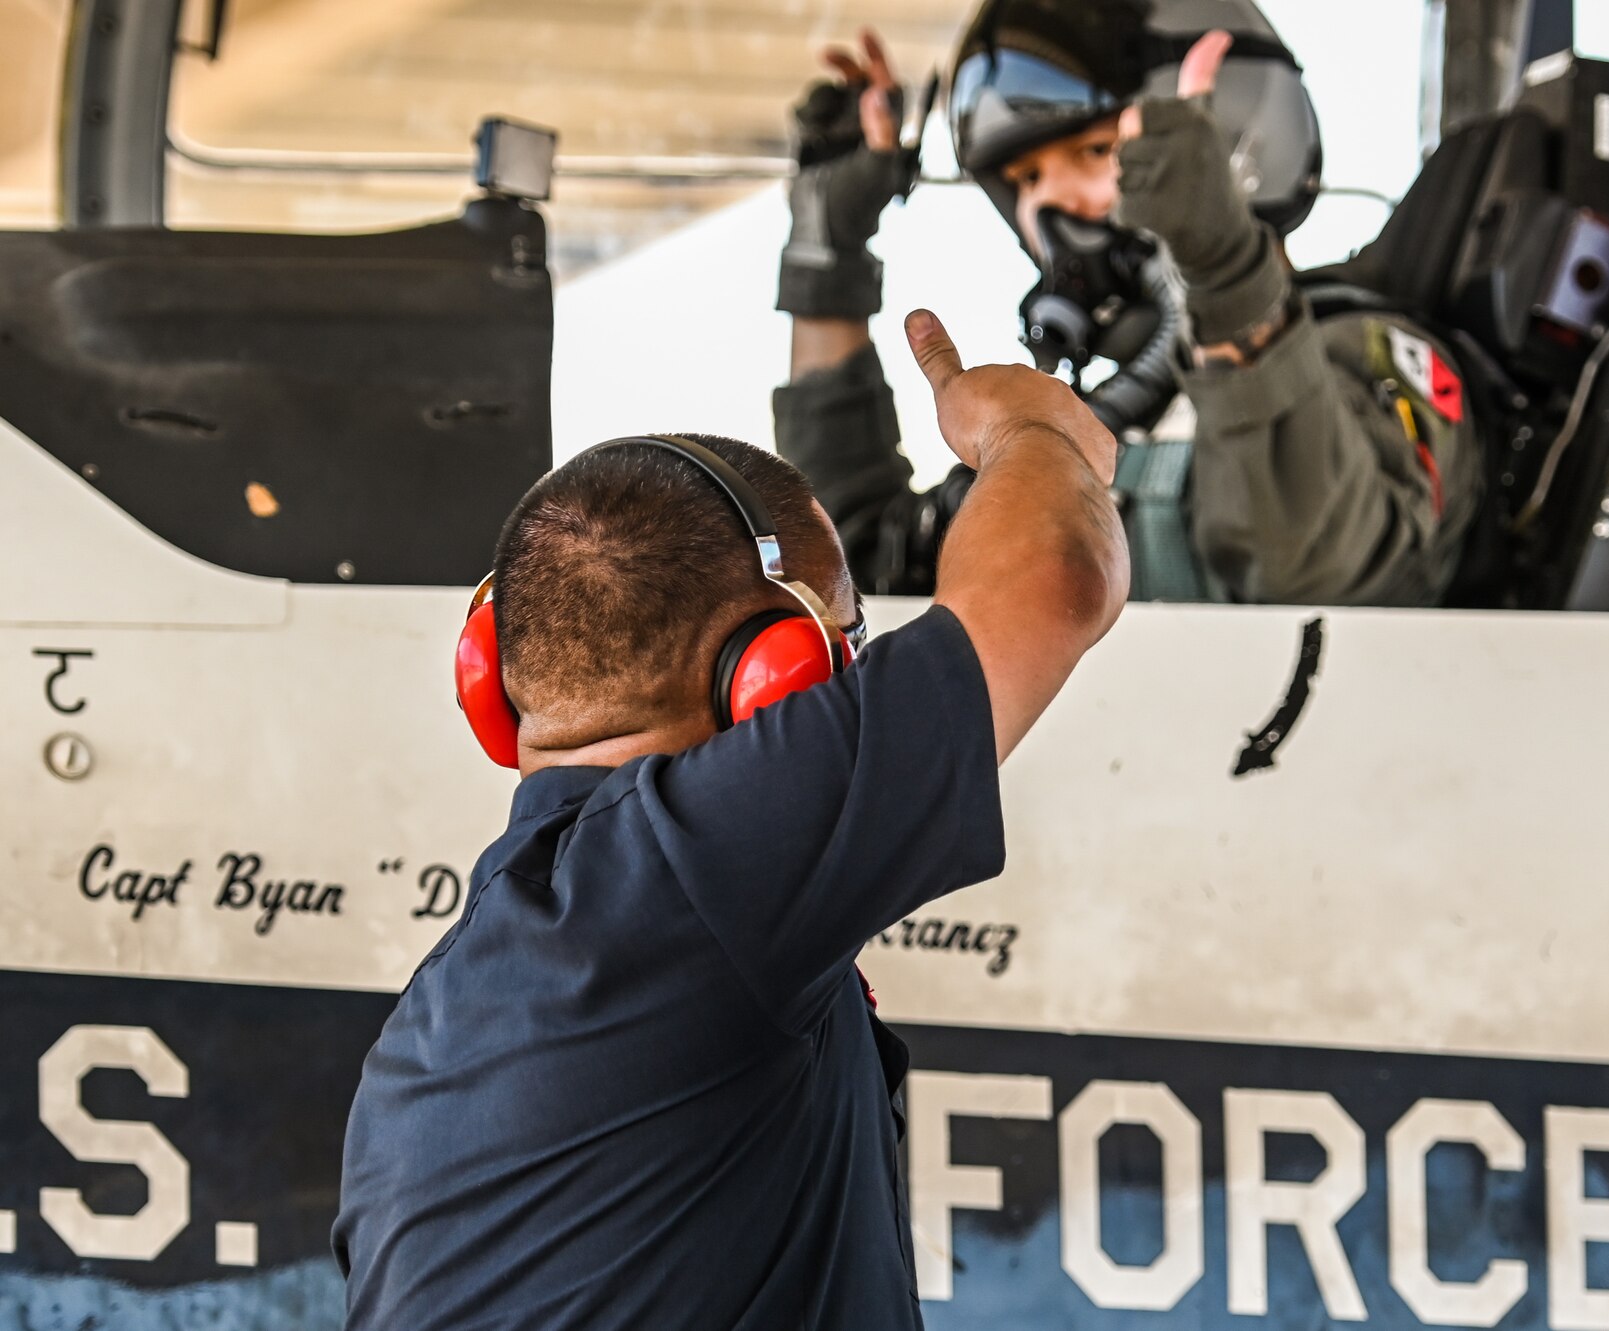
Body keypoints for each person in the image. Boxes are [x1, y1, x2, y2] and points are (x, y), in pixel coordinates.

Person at [331, 310, 1128, 1329]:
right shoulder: (691, 881)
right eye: (842, 641)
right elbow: (1059, 573)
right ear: (774, 679)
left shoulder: (438, 1031)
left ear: (490, 680)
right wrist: (1029, 433)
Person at [774, 0, 1486, 609]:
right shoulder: (1088, 426)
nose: (1047, 205)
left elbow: (1314, 576)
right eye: (1023, 177)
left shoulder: (1368, 355)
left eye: (1093, 152)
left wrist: (1223, 268)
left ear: (1232, 149)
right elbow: (864, 568)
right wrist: (823, 258)